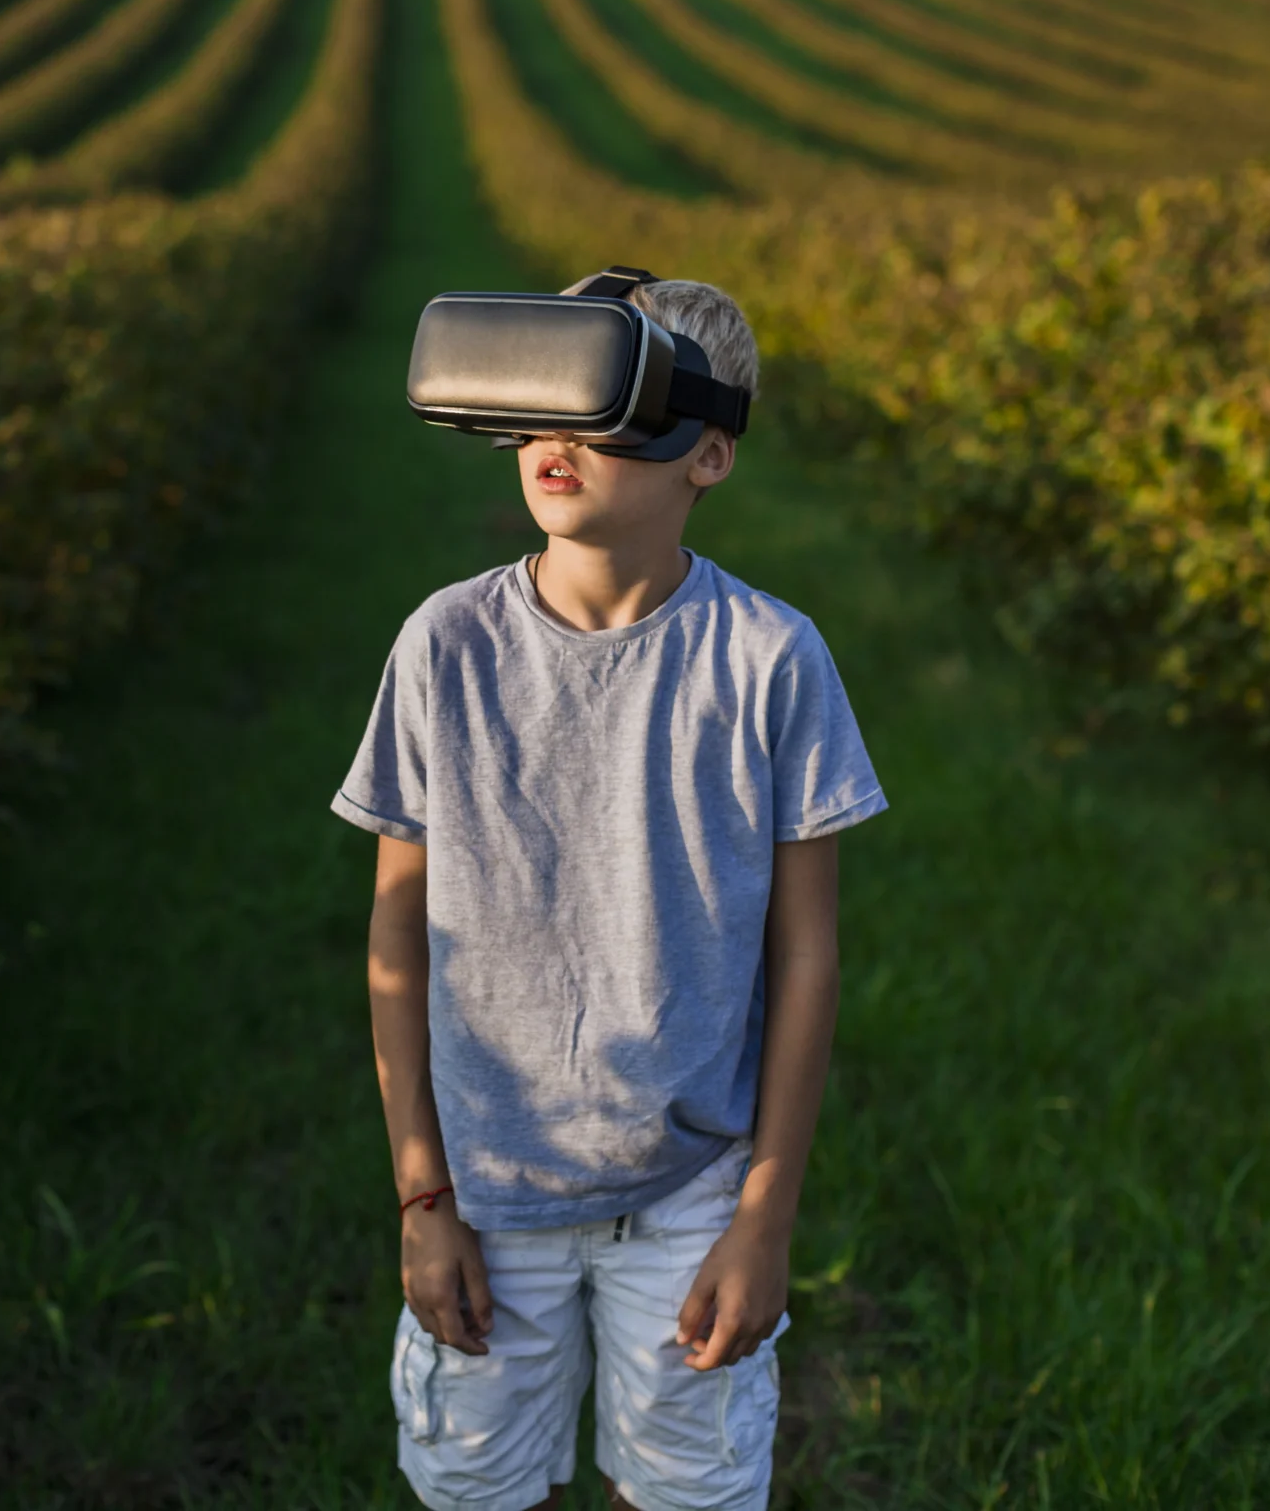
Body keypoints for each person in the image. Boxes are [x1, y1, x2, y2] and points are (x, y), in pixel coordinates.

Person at [334, 275, 886, 1510]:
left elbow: (806, 961)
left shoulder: (768, 660)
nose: (560, 444)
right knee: (478, 1488)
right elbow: (395, 937)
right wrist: (421, 1192)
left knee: (682, 1490)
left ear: (709, 452)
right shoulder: (445, 644)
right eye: (542, 406)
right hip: (486, 1190)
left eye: (611, 411)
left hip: (690, 1188)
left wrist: (765, 1215)